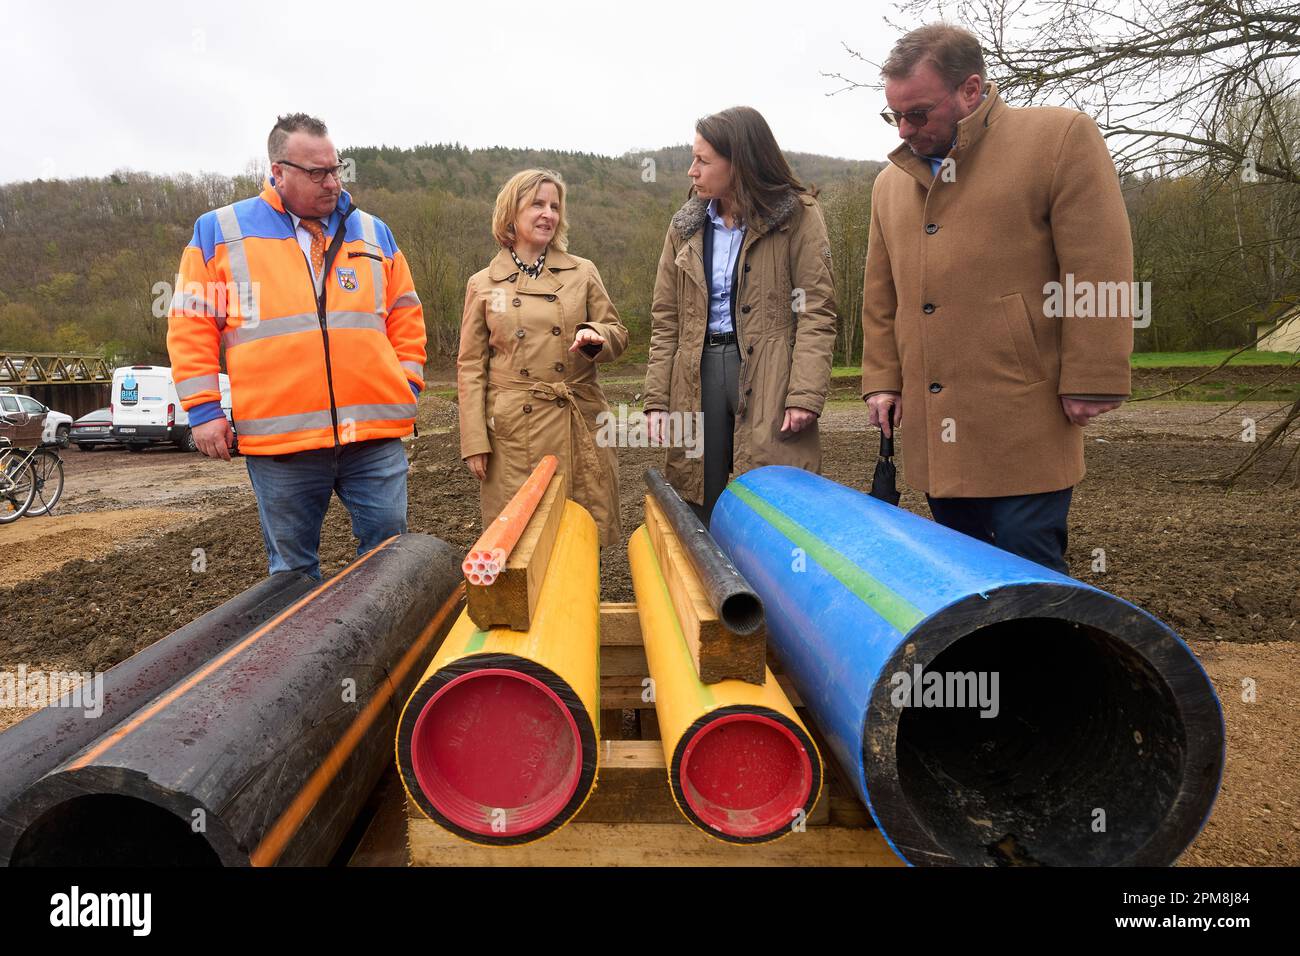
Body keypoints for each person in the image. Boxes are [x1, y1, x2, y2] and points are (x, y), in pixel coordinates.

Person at [860, 24, 1134, 576]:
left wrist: (1094, 374)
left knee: (1028, 575)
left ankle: (1042, 665)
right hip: (935, 428)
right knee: (961, 576)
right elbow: (880, 295)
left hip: (1023, 415)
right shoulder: (889, 184)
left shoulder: (1057, 138)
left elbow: (1098, 262)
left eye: (919, 113)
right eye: (895, 116)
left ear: (971, 90)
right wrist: (883, 379)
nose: (906, 130)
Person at [167, 113, 426, 581]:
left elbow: (405, 312)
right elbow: (191, 325)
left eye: (336, 168)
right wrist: (203, 410)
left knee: (390, 554)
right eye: (317, 172)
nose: (333, 182)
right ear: (277, 171)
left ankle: (388, 650)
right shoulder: (220, 232)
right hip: (281, 442)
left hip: (372, 434)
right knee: (292, 572)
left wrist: (407, 383)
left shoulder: (373, 231)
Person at [644, 107, 837, 525]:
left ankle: (772, 588)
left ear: (739, 163)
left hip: (771, 370)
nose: (692, 171)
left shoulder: (799, 216)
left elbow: (816, 310)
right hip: (696, 370)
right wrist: (657, 399)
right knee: (696, 493)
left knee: (776, 494)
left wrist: (805, 393)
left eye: (703, 160)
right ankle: (710, 589)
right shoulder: (685, 226)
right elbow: (666, 318)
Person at [457, 168, 628, 547]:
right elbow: (470, 366)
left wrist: (597, 336)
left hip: (578, 422)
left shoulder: (582, 273)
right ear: (510, 213)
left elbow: (618, 333)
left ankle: (578, 607)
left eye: (554, 206)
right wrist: (474, 441)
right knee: (520, 542)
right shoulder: (483, 283)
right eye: (536, 204)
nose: (548, 213)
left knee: (579, 536)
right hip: (513, 436)